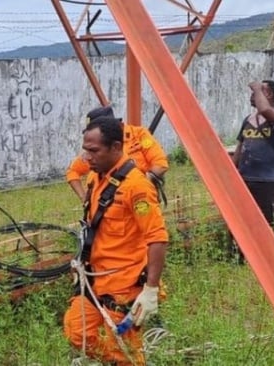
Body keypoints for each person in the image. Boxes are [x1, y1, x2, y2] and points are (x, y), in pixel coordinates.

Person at [63, 117, 169, 365]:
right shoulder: (95, 177)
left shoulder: (137, 187)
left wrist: (150, 290)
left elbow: (157, 238)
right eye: (85, 150)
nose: (87, 157)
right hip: (94, 279)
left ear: (115, 147)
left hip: (123, 288)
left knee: (123, 348)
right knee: (77, 333)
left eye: (94, 151)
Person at [66, 105, 169, 202]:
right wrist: (85, 199)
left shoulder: (139, 135)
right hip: (105, 208)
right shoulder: (95, 152)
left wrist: (140, 185)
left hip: (138, 200)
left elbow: (160, 164)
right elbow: (73, 171)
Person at [232, 80, 274, 241]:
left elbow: (266, 110)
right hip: (246, 179)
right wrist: (233, 171)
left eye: (259, 91)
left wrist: (257, 87)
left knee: (268, 221)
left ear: (269, 94)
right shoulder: (248, 120)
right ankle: (240, 256)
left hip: (269, 181)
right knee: (242, 220)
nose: (253, 95)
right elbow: (240, 146)